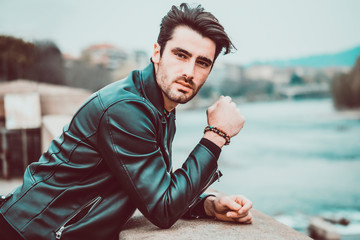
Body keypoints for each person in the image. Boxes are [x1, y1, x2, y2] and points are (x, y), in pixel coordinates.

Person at [0, 3, 252, 240]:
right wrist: (216, 134)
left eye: (203, 62)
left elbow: (152, 185)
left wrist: (207, 205)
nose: (189, 72)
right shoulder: (126, 109)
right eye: (181, 55)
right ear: (157, 53)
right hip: (29, 231)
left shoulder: (159, 106)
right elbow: (162, 208)